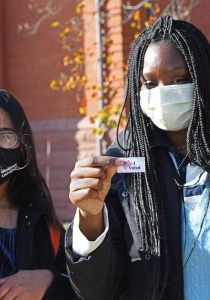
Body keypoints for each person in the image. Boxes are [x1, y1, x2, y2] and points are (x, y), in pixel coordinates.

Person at [66, 15, 210, 300]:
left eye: (179, 79)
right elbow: (97, 290)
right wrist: (89, 217)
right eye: (150, 83)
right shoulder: (120, 168)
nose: (164, 94)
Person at [0, 86, 74, 300]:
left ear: (22, 146)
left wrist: (49, 281)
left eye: (4, 136)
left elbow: (81, 288)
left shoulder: (40, 218)